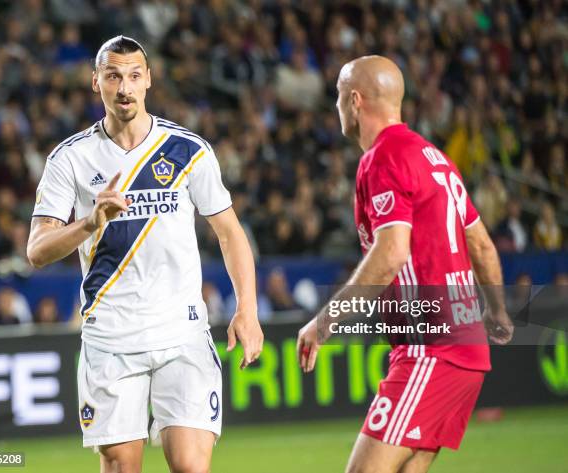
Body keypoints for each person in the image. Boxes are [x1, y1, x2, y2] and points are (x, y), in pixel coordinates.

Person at [27, 36, 263, 473]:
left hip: (183, 332)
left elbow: (230, 232)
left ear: (149, 80)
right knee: (121, 467)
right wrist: (90, 223)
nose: (124, 88)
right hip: (111, 339)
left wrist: (246, 309)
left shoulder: (187, 150)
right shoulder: (69, 159)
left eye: (134, 76)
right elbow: (37, 251)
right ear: (94, 81)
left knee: (192, 466)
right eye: (113, 76)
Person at [296, 56, 513, 473]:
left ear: (355, 101)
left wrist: (324, 323)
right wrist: (497, 312)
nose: (337, 107)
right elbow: (482, 246)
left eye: (340, 98)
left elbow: (392, 253)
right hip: (464, 347)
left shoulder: (383, 158)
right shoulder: (436, 158)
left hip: (432, 346)